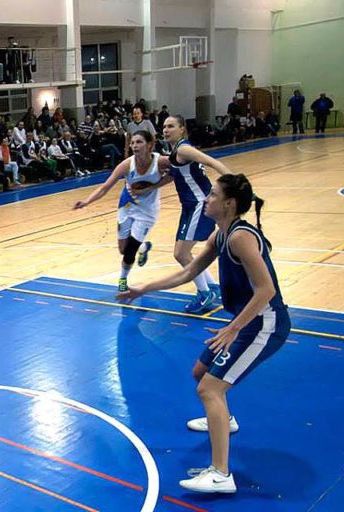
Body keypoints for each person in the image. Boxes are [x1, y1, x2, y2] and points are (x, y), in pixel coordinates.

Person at [118, 174, 289, 494]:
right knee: (200, 371)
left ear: (229, 204)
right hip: (246, 321)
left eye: (212, 195)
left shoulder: (240, 237)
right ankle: (226, 420)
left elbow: (266, 290)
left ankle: (221, 474)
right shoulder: (220, 234)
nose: (206, 199)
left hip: (266, 323)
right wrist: (143, 288)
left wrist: (233, 329)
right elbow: (188, 272)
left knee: (209, 389)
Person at [74, 131, 171, 290]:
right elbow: (105, 187)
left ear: (149, 145)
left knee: (130, 250)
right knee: (123, 249)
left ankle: (122, 279)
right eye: (132, 143)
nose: (135, 146)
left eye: (139, 142)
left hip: (148, 212)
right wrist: (87, 201)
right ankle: (143, 247)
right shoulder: (127, 165)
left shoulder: (160, 162)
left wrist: (152, 188)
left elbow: (176, 173)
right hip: (126, 206)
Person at [162, 115, 233, 313]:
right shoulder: (175, 151)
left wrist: (235, 181)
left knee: (181, 253)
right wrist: (147, 189)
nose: (166, 130)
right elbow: (172, 176)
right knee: (183, 253)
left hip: (199, 205)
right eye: (164, 126)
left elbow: (211, 161)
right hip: (189, 207)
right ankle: (211, 287)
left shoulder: (184, 149)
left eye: (171, 126)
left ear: (182, 129)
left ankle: (205, 293)